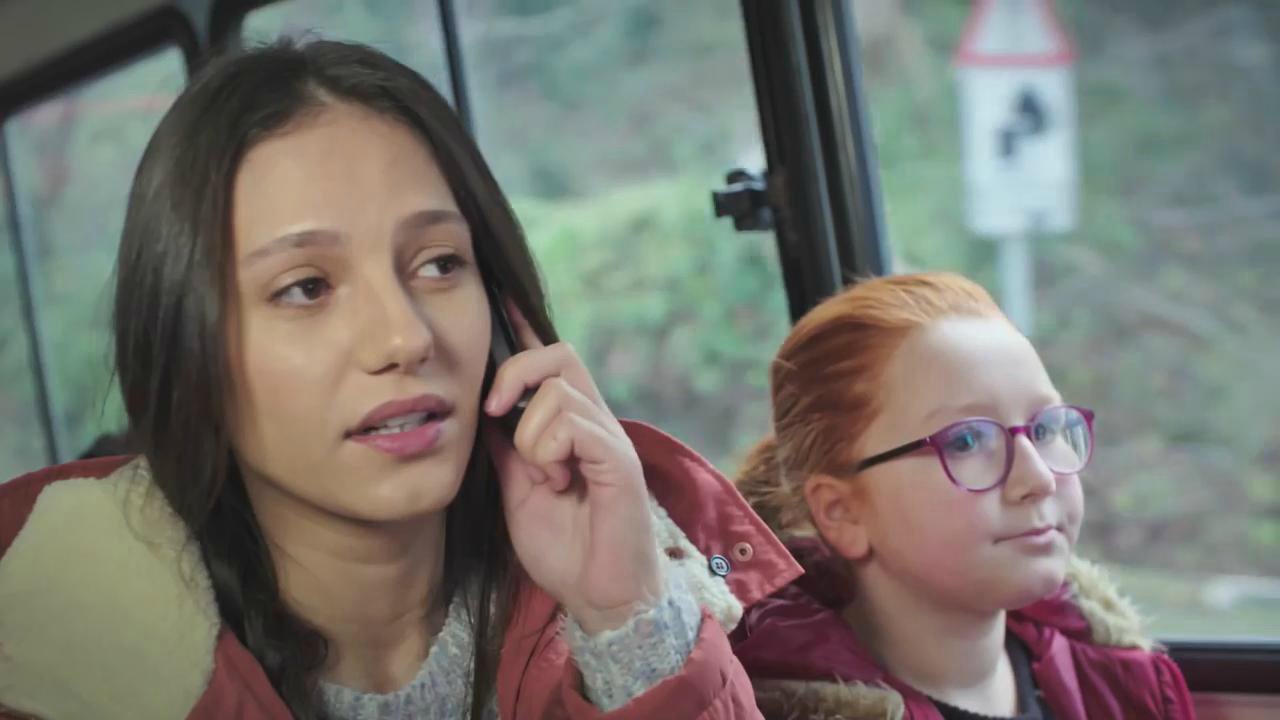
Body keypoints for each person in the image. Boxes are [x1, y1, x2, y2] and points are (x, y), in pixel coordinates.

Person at [0, 40, 799, 720]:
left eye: (440, 264)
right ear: (188, 351)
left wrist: (627, 614)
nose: (405, 337)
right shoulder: (57, 643)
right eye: (306, 288)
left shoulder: (625, 585)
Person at [730, 272, 1195, 720]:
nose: (1039, 478)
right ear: (843, 512)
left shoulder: (1121, 686)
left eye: (1045, 428)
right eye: (967, 441)